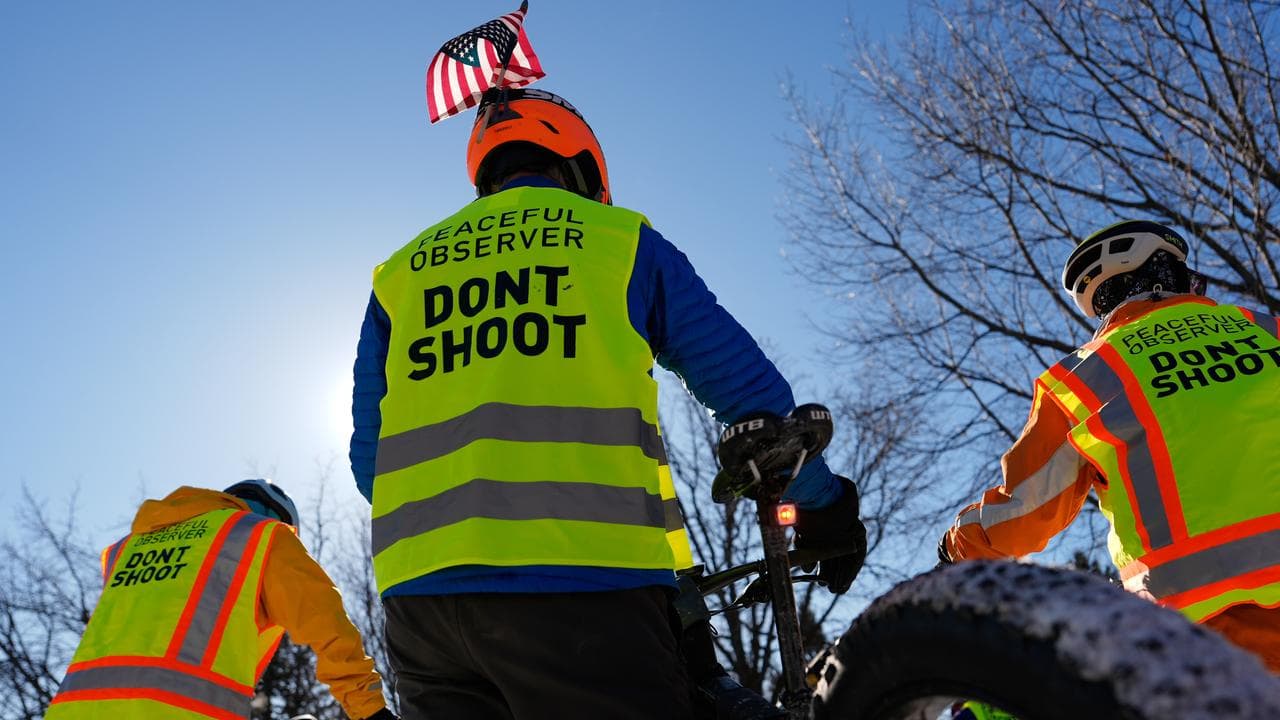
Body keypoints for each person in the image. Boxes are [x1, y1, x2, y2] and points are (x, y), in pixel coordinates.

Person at [349, 86, 867, 719]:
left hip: (422, 612)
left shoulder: (400, 277)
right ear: (582, 164)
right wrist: (824, 505)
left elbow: (371, 463)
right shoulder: (618, 241)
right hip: (585, 589)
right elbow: (751, 399)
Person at [938, 219, 1280, 672]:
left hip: (1207, 639)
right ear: (1173, 276)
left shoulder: (1083, 378)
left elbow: (1025, 512)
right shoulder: (1267, 329)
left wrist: (957, 546)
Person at [45, 480, 396, 720]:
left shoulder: (125, 548)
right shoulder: (260, 535)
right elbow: (326, 624)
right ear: (279, 518)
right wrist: (370, 709)